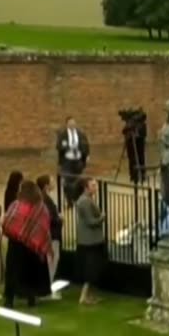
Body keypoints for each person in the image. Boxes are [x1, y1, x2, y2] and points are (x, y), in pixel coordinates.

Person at [1, 179, 51, 309]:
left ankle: (9, 300)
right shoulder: (41, 207)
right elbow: (44, 227)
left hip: (16, 246)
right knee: (31, 273)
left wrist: (17, 234)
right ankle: (31, 298)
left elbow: (6, 223)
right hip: (32, 247)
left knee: (13, 272)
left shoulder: (15, 205)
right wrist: (35, 239)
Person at [73, 177, 106, 306]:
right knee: (90, 270)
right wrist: (102, 218)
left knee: (93, 269)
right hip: (90, 240)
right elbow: (91, 221)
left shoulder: (85, 200)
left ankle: (89, 295)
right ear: (86, 187)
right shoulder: (84, 201)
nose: (95, 188)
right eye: (93, 185)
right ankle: (84, 296)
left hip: (91, 240)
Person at [36, 174, 62, 294]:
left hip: (48, 234)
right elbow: (48, 218)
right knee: (51, 261)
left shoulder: (43, 198)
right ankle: (47, 288)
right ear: (46, 186)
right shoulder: (45, 199)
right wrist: (59, 219)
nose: (54, 183)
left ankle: (45, 287)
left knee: (50, 260)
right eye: (51, 181)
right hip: (51, 234)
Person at [56, 117, 89, 203]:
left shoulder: (80, 133)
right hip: (67, 161)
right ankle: (69, 200)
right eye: (70, 123)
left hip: (78, 160)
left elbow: (85, 144)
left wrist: (86, 155)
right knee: (67, 181)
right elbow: (58, 146)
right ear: (67, 124)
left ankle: (77, 199)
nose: (72, 125)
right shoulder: (62, 134)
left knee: (79, 180)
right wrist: (68, 147)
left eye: (73, 123)